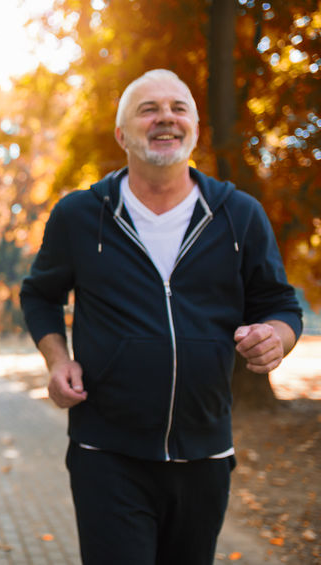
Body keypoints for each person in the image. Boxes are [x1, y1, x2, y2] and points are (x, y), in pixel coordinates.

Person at [20, 69, 303, 565]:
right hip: (105, 451)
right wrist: (56, 359)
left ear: (194, 126)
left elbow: (280, 305)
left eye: (178, 107)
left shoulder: (239, 214)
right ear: (122, 134)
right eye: (148, 109)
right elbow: (39, 294)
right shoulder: (81, 215)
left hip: (206, 453)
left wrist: (276, 337)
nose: (165, 117)